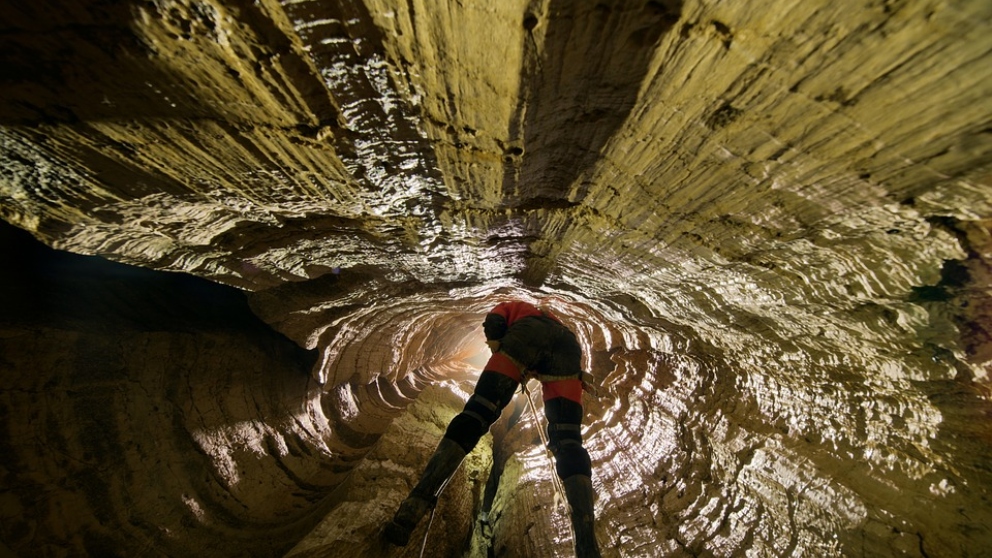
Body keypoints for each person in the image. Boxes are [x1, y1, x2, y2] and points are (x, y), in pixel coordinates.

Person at [384, 300, 602, 558]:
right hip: (569, 351)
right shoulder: (561, 326)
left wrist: (498, 345)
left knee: (478, 413)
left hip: (525, 336)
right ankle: (587, 546)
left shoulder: (516, 307)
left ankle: (412, 509)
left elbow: (494, 320)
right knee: (569, 442)